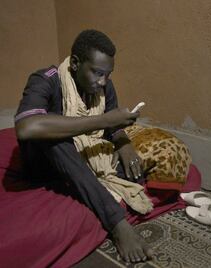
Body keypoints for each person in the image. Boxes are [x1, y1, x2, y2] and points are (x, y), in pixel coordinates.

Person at [15, 29, 154, 263]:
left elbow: (113, 127)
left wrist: (123, 142)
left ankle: (87, 184)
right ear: (76, 63)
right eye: (98, 73)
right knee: (53, 135)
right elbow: (26, 127)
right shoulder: (46, 79)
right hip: (44, 164)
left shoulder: (103, 86)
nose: (103, 81)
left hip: (82, 162)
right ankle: (117, 224)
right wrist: (105, 120)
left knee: (133, 170)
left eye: (108, 74)